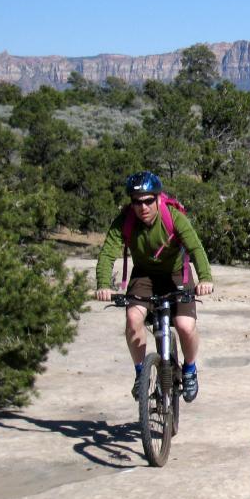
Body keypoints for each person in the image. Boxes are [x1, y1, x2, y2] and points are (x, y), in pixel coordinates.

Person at [94, 171, 214, 402]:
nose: (143, 207)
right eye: (137, 202)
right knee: (132, 319)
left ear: (158, 198)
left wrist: (205, 279)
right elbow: (108, 252)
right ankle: (141, 373)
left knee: (185, 325)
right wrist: (103, 284)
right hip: (144, 275)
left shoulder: (173, 217)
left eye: (149, 200)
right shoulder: (125, 220)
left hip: (177, 273)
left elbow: (195, 248)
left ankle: (189, 369)